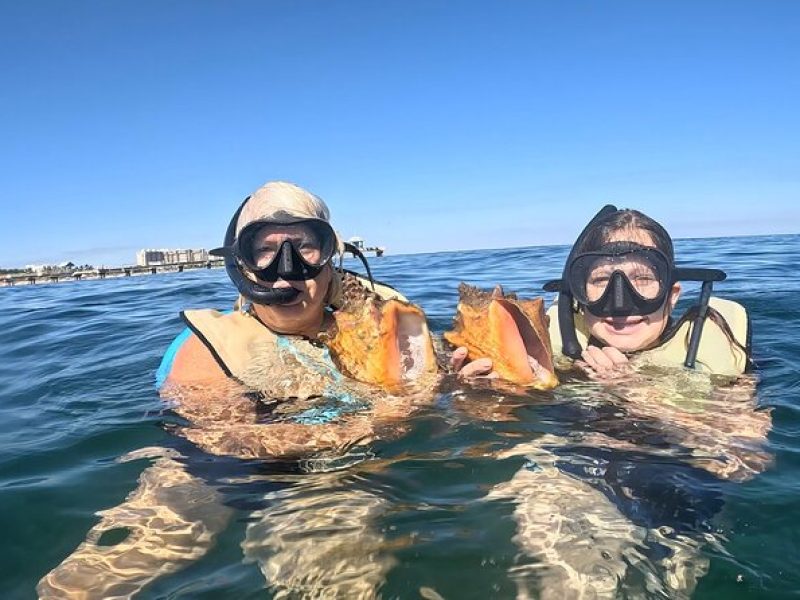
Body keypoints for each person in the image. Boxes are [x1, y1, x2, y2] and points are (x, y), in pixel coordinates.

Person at [38, 181, 416, 599]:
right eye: (265, 249)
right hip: (209, 476)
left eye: (305, 246)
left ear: (331, 258)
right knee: (82, 587)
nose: (286, 267)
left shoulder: (383, 327)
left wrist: (477, 385)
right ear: (242, 266)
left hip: (346, 474)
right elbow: (228, 443)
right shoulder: (205, 353)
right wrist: (375, 421)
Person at [452, 205, 772, 598]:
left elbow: (744, 460)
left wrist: (636, 394)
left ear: (672, 293)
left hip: (677, 479)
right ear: (578, 291)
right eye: (601, 281)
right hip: (572, 461)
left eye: (642, 278)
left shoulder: (710, 342)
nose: (621, 302)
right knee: (559, 554)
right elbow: (488, 430)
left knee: (668, 573)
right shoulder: (554, 346)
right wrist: (483, 394)